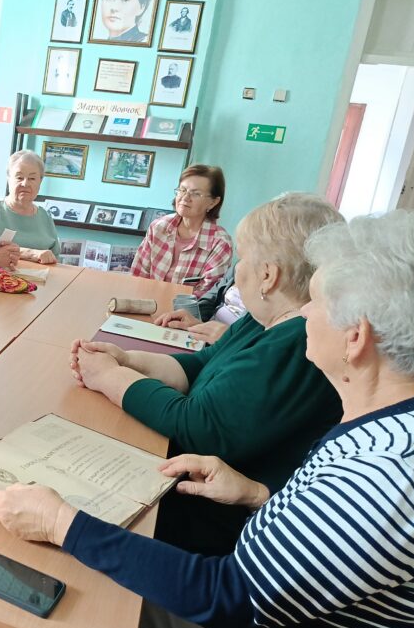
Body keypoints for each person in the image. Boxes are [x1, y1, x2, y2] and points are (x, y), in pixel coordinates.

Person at [0, 210, 414, 628]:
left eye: (316, 303)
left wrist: (61, 523)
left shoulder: (388, 472)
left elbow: (225, 594)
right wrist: (259, 494)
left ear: (355, 337)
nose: (303, 314)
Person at [76, 193, 345, 554]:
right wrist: (127, 360)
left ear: (268, 276)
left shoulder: (295, 345)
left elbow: (198, 426)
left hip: (214, 517)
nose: (237, 270)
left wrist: (108, 378)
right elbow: (199, 365)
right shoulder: (264, 320)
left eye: (243, 259)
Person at [131, 164, 232, 298]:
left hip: (184, 310)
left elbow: (206, 296)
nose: (185, 198)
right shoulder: (158, 227)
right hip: (145, 302)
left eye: (196, 194)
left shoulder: (220, 243)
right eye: (182, 190)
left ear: (213, 202)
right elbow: (139, 274)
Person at [0, 150, 60, 264]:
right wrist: (31, 253)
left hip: (42, 274)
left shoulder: (45, 215)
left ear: (40, 181)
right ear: (8, 179)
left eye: (32, 178)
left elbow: (55, 255)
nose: (25, 184)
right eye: (19, 177)